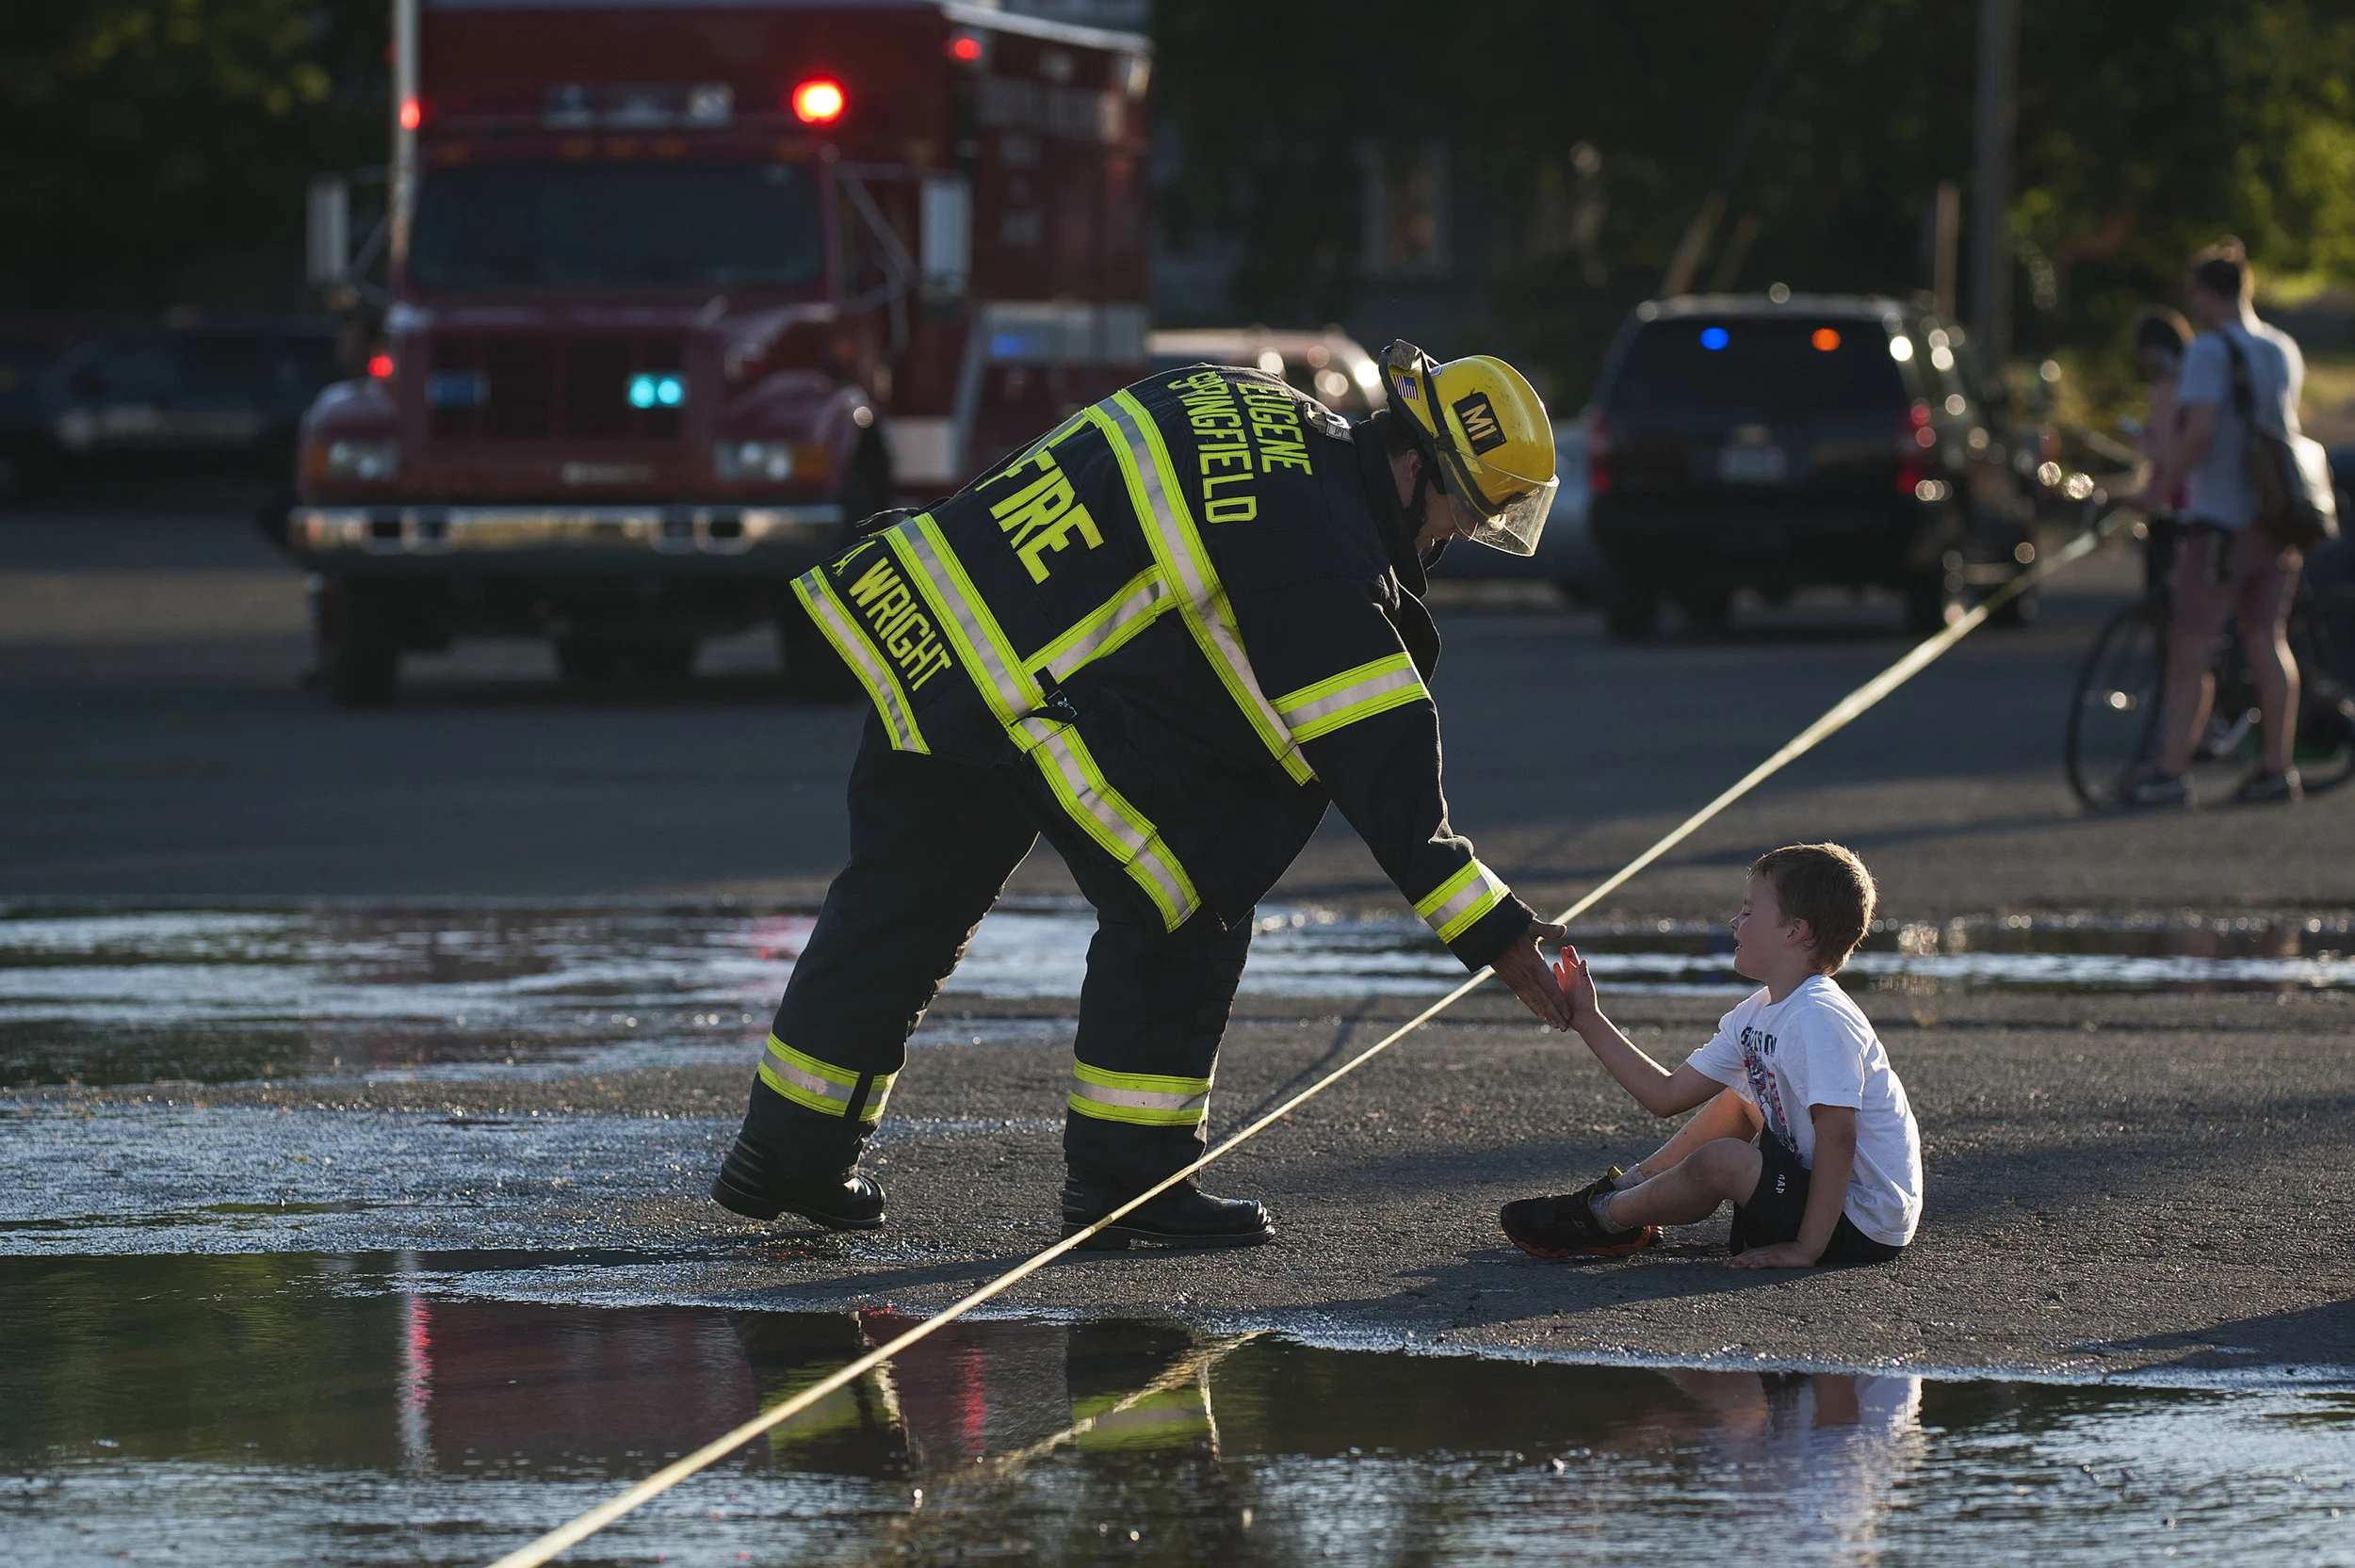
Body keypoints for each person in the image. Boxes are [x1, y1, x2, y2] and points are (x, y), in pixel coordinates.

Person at [710, 342, 1570, 1248]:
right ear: (1411, 461)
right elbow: (1378, 756)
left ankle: (786, 1149)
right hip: (1017, 681)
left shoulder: (1248, 399)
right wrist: (1499, 930)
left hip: (929, 614)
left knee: (897, 907)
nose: (1452, 541)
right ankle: (1130, 1177)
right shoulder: (1318, 542)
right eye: (1459, 514)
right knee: (1187, 890)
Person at [1498, 843, 1922, 1268]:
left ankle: (1600, 1218)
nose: (1735, 922)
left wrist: (1805, 1248)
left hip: (1861, 1224)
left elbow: (1838, 1136)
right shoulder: (1758, 1012)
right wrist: (1588, 1017)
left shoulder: (1818, 1016)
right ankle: (1624, 1192)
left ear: (1795, 931)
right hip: (1821, 1195)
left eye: (1749, 911)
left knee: (1723, 1160)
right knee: (1738, 1098)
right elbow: (1664, 1095)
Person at [2126, 238, 2310, 806]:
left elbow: (2200, 432)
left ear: (2206, 293)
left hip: (2219, 522)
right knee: (2266, 640)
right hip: (2278, 521)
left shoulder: (2207, 352)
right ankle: (2277, 767)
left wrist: (2157, 493)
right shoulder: (2281, 348)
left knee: (2191, 645)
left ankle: (2171, 769)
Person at [2130, 305, 2195, 593]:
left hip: (2169, 504)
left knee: (2162, 598)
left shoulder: (2166, 389)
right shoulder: (2194, 384)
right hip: (2194, 503)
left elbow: (2167, 455)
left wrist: (2143, 440)